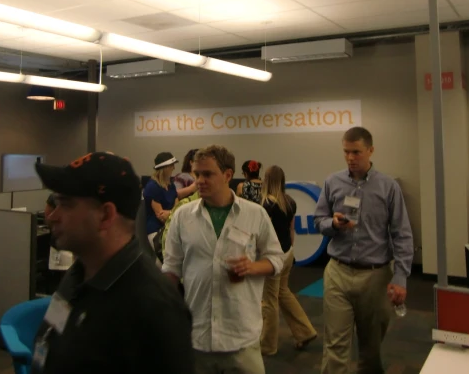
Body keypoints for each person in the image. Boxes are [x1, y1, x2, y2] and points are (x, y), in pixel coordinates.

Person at [31, 151, 195, 374]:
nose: (52, 216)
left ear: (106, 215)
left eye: (66, 204)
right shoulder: (78, 275)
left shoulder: (156, 308)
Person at [163, 145, 284, 374]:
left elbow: (276, 258)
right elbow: (171, 267)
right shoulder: (182, 216)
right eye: (197, 174)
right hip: (197, 336)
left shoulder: (254, 214)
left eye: (207, 174)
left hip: (241, 337)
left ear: (228, 175)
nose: (199, 180)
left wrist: (253, 267)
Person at [314, 127, 414, 374]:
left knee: (371, 348)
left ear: (370, 150)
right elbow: (319, 220)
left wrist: (400, 277)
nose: (350, 158)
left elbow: (402, 234)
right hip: (338, 270)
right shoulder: (332, 182)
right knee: (335, 344)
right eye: (346, 152)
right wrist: (333, 224)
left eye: (356, 152)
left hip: (375, 276)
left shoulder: (388, 187)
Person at [259, 165, 317, 356]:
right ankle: (305, 331)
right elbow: (291, 231)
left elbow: (261, 235)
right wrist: (289, 251)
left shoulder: (267, 204)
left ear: (267, 180)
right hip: (287, 254)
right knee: (283, 293)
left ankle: (267, 346)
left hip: (272, 258)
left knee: (269, 302)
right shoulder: (289, 202)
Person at [143, 152, 179, 247]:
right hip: (156, 231)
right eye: (172, 165)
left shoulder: (171, 185)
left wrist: (170, 214)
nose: (174, 168)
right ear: (165, 168)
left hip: (170, 228)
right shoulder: (152, 187)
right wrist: (174, 214)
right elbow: (161, 216)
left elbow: (178, 209)